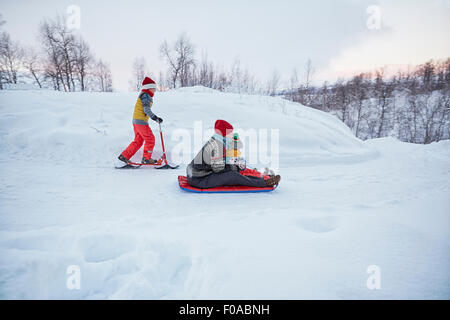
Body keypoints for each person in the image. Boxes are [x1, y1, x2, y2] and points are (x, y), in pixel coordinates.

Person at [186, 119, 281, 189]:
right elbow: (218, 169)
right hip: (199, 179)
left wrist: (234, 164)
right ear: (224, 133)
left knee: (235, 171)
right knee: (233, 175)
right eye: (229, 132)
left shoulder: (217, 142)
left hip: (198, 176)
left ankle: (263, 178)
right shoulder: (217, 145)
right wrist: (235, 167)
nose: (231, 134)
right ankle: (264, 183)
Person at [118, 77, 163, 165]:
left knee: (138, 141)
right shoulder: (146, 95)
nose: (155, 90)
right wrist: (155, 118)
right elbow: (146, 109)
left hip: (136, 121)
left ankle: (124, 156)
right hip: (141, 122)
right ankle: (146, 158)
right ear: (149, 88)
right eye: (154, 88)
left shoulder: (144, 95)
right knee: (150, 139)